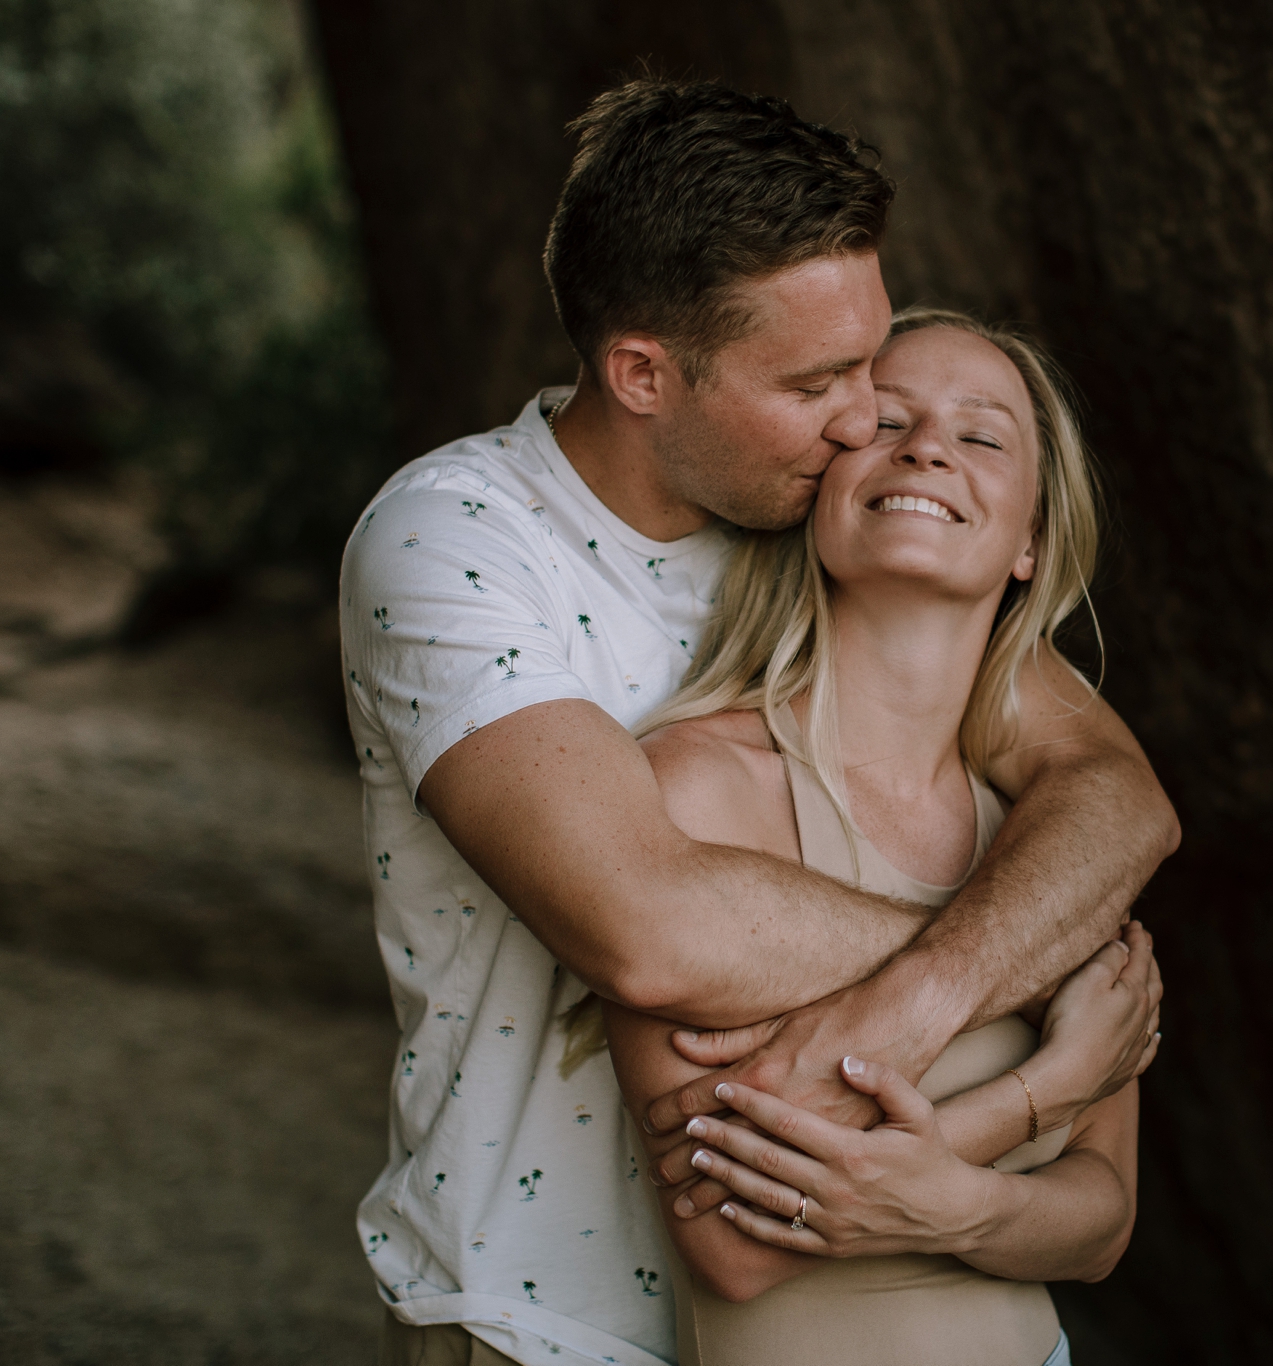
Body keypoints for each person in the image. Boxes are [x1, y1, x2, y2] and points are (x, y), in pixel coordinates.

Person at [340, 80, 1177, 1366]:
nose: (864, 422)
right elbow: (650, 923)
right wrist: (1036, 991)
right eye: (821, 380)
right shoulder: (459, 542)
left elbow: (1111, 796)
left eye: (870, 358)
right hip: (548, 1323)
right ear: (641, 374)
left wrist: (942, 1001)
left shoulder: (809, 539)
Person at [602, 307, 1162, 1366]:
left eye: (982, 434)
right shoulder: (697, 788)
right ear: (820, 491)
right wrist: (1038, 1092)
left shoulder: (1056, 845)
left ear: (1031, 538)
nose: (927, 448)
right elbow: (731, 1246)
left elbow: (1100, 1221)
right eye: (884, 420)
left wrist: (947, 1204)